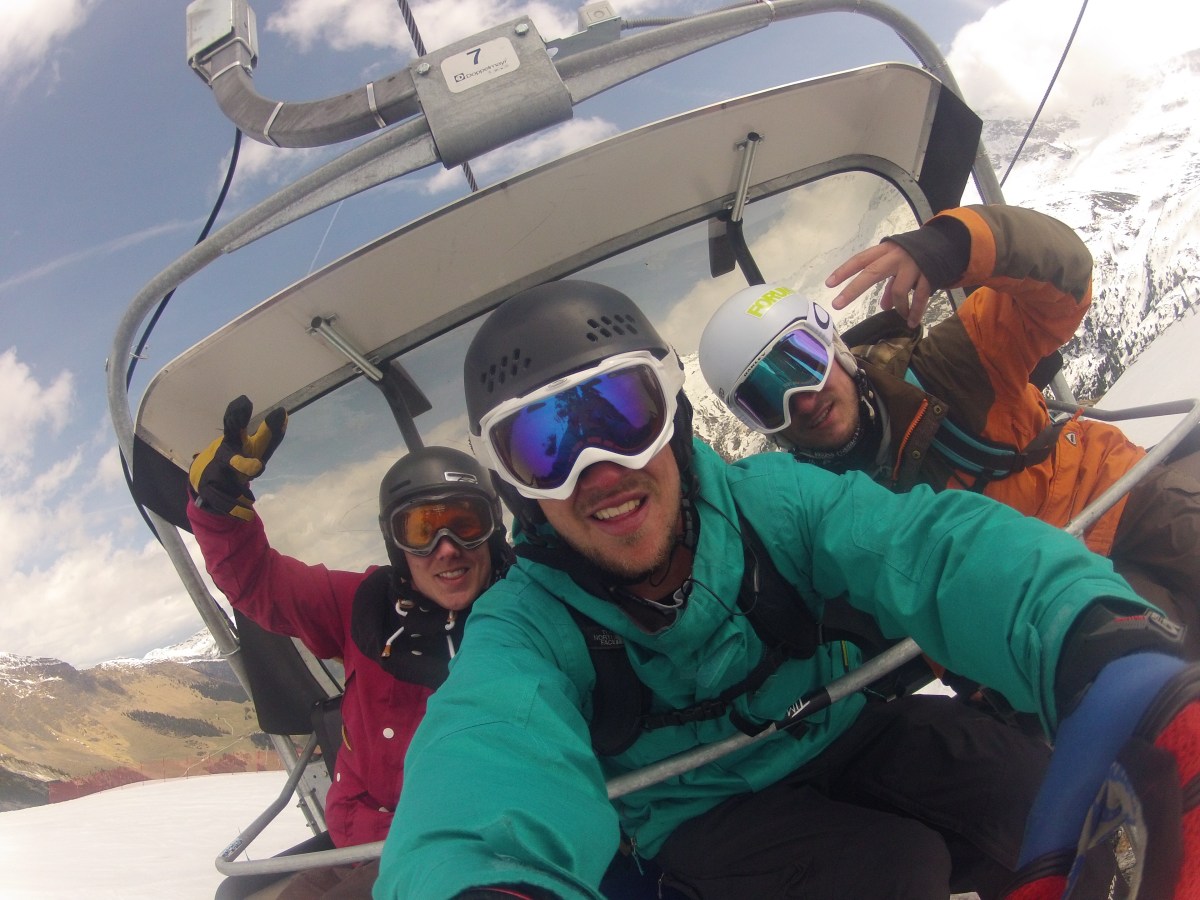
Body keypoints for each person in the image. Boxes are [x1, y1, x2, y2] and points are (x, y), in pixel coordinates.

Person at [372, 280, 1199, 899]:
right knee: (892, 872)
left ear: (673, 416)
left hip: (844, 729)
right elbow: (488, 748)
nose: (601, 470)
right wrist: (482, 886)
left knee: (1032, 792)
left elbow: (928, 548)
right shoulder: (528, 622)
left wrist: (1093, 639)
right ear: (516, 486)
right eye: (545, 447)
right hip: (699, 812)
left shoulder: (770, 506)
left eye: (624, 414)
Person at [698, 204, 1200, 657]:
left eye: (801, 361)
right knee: (1147, 690)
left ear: (834, 347)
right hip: (1028, 623)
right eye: (767, 400)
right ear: (759, 425)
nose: (803, 400)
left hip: (1119, 500)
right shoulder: (813, 517)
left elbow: (1065, 284)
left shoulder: (951, 367)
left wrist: (956, 242)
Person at [187, 396, 512, 898]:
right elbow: (260, 583)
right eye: (421, 530)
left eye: (466, 524)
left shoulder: (527, 614)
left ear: (493, 530)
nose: (446, 548)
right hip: (357, 840)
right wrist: (218, 509)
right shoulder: (364, 604)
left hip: (466, 846)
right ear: (396, 545)